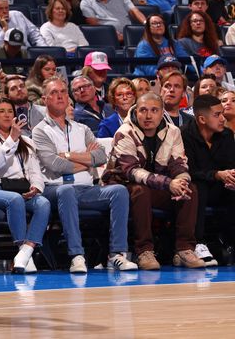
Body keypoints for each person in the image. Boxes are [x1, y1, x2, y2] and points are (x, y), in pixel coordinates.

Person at [33, 76, 138, 273]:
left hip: (86, 189)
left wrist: (68, 156)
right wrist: (85, 162)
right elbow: (54, 164)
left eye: (63, 92)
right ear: (45, 99)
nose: (59, 96)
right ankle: (77, 255)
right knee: (66, 191)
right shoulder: (40, 131)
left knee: (119, 191)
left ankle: (116, 254)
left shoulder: (82, 128)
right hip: (54, 189)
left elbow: (100, 156)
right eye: (54, 93)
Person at [103, 92, 205, 270]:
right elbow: (132, 171)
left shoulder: (173, 132)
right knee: (140, 192)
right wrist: (168, 183)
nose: (148, 115)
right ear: (136, 111)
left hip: (157, 185)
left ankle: (184, 249)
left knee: (190, 190)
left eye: (154, 110)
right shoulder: (124, 132)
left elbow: (179, 164)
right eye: (143, 110)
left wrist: (181, 182)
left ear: (161, 112)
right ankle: (144, 251)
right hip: (122, 186)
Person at [0, 98, 49, 274]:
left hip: (22, 190)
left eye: (10, 111)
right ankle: (23, 251)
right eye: (1, 111)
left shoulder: (27, 141)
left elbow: (34, 171)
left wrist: (36, 188)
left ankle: (26, 252)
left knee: (43, 203)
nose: (7, 114)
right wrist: (12, 139)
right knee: (14, 199)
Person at [182, 94, 235, 267]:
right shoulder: (184, 135)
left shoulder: (226, 135)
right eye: (217, 115)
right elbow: (189, 171)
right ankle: (199, 243)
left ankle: (230, 243)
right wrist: (217, 175)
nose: (222, 118)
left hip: (221, 187)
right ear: (202, 119)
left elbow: (230, 164)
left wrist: (230, 178)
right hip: (195, 188)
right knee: (199, 187)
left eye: (222, 114)